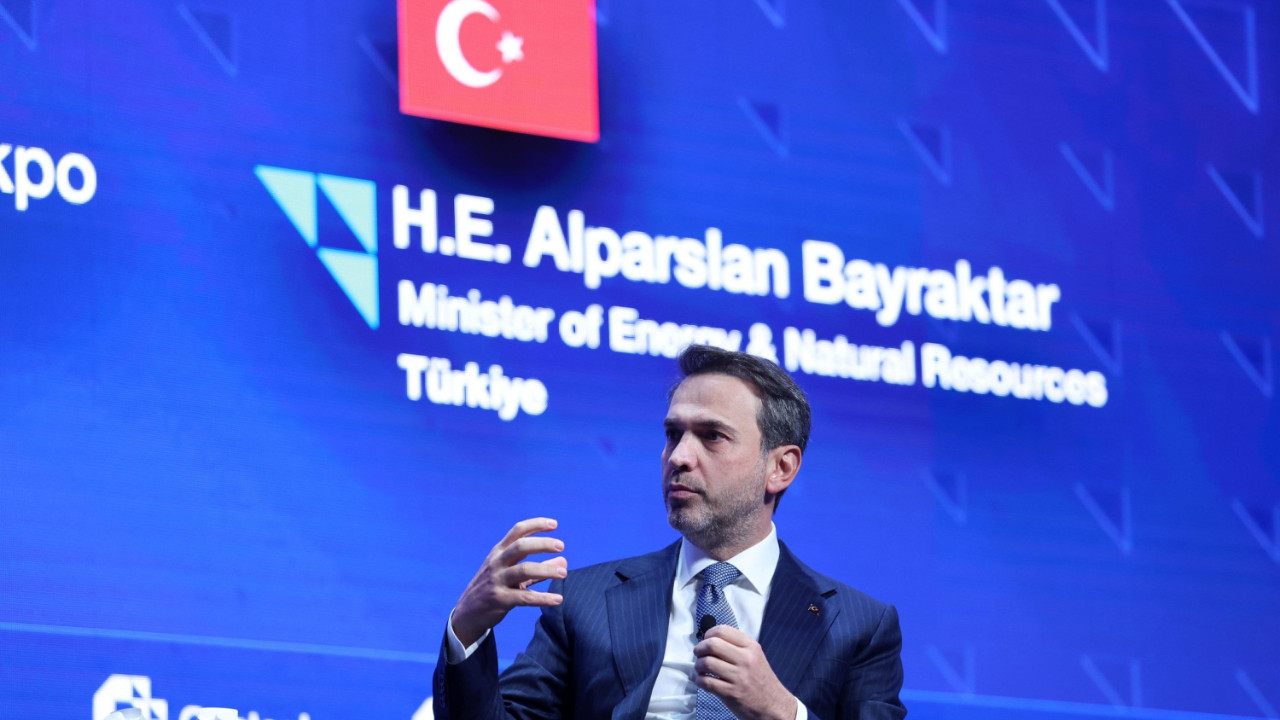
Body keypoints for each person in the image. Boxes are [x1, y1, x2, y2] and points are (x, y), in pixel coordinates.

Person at [432, 345, 906, 720]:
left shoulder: (857, 627)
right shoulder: (584, 602)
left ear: (780, 468)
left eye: (712, 436)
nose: (679, 456)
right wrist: (468, 627)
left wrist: (781, 711)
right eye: (673, 434)